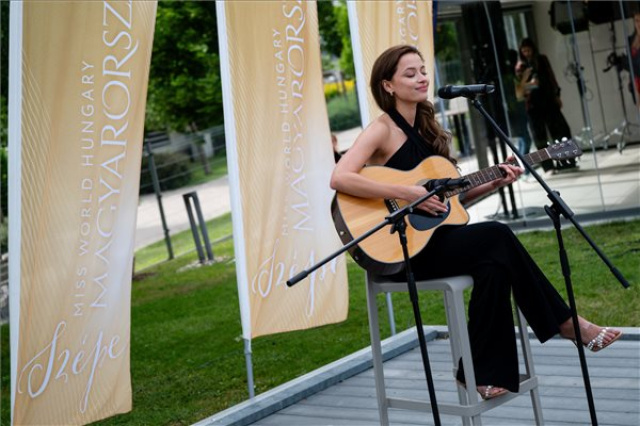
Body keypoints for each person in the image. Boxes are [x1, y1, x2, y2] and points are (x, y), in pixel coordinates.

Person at [330, 45, 622, 400]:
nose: (422, 77)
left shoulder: (427, 130)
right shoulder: (382, 129)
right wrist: (404, 192)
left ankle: (477, 373)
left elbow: (450, 203)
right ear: (387, 85)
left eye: (423, 70)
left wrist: (493, 184)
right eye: (410, 73)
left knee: (495, 267)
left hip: (437, 240)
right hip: (402, 250)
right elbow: (340, 177)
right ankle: (567, 323)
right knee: (497, 235)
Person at [519, 38, 577, 173]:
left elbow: (551, 77)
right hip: (533, 105)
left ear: (533, 49)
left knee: (561, 130)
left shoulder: (541, 60)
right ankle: (548, 166)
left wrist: (557, 95)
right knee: (540, 137)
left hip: (548, 100)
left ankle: (567, 161)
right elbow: (520, 89)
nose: (527, 53)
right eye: (524, 51)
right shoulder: (521, 67)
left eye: (528, 50)